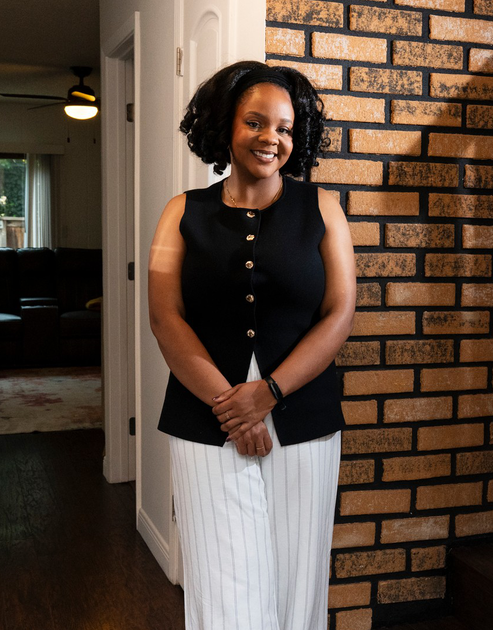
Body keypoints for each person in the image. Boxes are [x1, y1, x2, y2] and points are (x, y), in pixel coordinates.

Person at [147, 60, 356, 630]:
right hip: (204, 421)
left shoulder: (324, 211)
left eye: (286, 128)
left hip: (304, 419)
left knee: (297, 583)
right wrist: (234, 410)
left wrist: (268, 393)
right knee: (223, 588)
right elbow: (166, 319)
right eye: (256, 122)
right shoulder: (181, 213)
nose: (272, 138)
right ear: (226, 126)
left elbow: (339, 313)